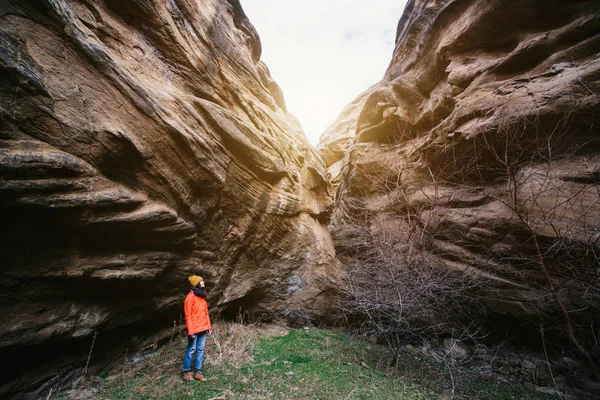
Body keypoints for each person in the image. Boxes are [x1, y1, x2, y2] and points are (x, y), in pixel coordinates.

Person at [182, 275, 212, 381]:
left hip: (203, 328)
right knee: (191, 350)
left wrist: (208, 326)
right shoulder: (190, 297)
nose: (204, 282)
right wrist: (190, 331)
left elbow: (205, 313)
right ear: (197, 284)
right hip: (194, 329)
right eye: (202, 281)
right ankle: (186, 372)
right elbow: (188, 316)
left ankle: (198, 373)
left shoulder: (202, 296)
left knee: (200, 350)